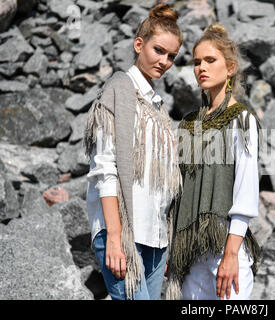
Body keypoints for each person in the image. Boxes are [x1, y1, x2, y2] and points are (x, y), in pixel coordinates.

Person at [83, 4, 183, 300]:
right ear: (139, 45)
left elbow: (163, 184)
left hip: (155, 240)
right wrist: (114, 237)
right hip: (124, 234)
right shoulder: (119, 90)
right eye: (158, 50)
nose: (164, 61)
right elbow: (105, 169)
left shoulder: (158, 106)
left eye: (172, 56)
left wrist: (164, 240)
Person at [166, 24, 262, 300]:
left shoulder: (242, 120)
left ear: (230, 68)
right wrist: (175, 250)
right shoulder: (188, 124)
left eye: (210, 60)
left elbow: (245, 193)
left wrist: (231, 256)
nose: (201, 68)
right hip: (192, 256)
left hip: (226, 249)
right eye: (197, 62)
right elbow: (178, 193)